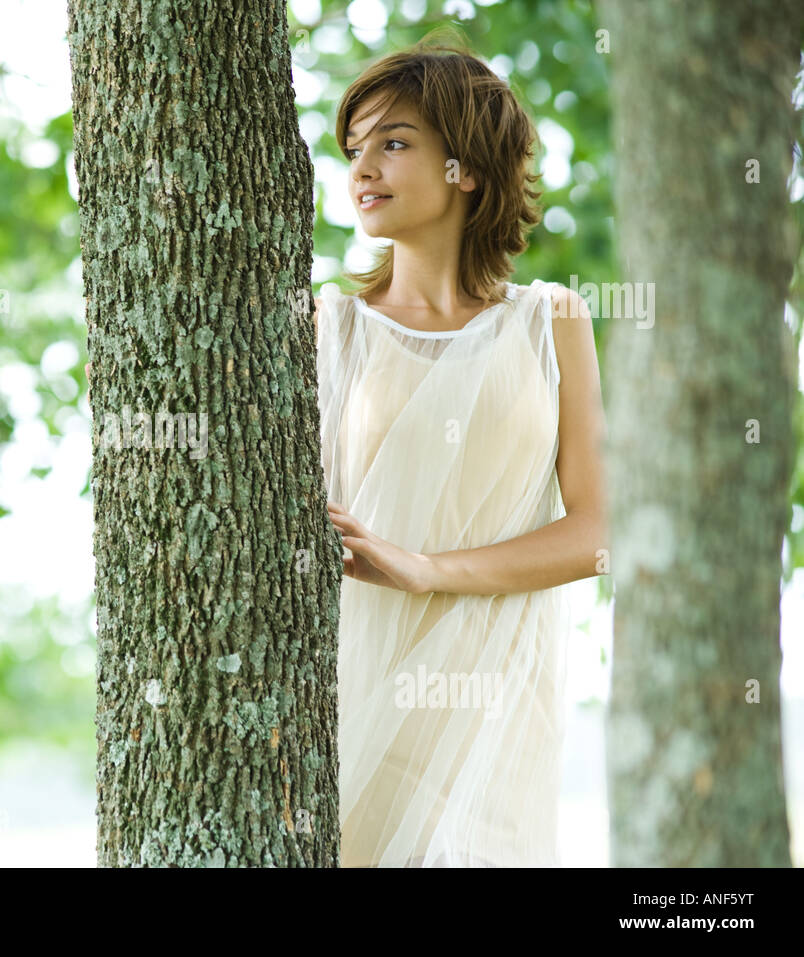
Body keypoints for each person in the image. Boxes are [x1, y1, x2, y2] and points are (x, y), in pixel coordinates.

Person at [316, 37, 609, 867]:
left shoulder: (550, 319)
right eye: (354, 148)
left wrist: (426, 565)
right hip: (360, 697)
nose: (362, 167)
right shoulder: (327, 328)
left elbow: (594, 533)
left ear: (467, 169)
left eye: (394, 142)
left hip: (499, 713)